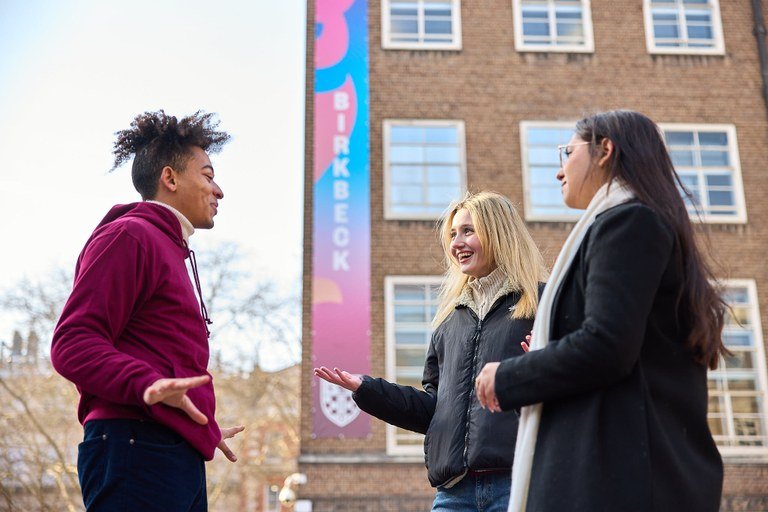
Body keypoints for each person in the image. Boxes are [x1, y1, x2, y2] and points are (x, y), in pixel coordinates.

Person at [475, 110, 726, 512]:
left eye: (568, 152)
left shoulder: (629, 222)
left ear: (605, 150)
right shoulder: (636, 222)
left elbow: (607, 345)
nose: (559, 171)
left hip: (621, 478)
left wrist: (509, 376)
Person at [51, 110, 244, 511]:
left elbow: (159, 351)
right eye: (208, 175)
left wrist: (200, 428)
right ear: (170, 178)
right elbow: (72, 343)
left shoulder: (168, 248)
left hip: (170, 450)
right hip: (135, 447)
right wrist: (146, 384)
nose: (219, 190)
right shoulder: (131, 235)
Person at [314, 191, 548, 511]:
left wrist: (543, 365)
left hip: (518, 483)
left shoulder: (542, 303)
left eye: (468, 231)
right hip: (454, 494)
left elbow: (575, 383)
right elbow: (434, 411)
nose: (456, 243)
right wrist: (366, 389)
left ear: (499, 233)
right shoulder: (449, 322)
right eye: (453, 234)